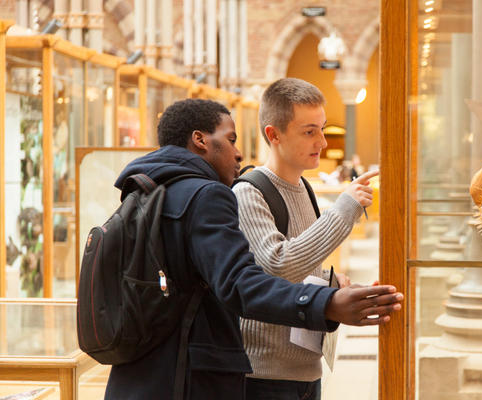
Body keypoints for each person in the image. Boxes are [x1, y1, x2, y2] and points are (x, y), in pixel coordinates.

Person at [103, 99, 403, 400]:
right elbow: (241, 283)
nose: (239, 152)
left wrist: (330, 286)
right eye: (231, 139)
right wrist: (325, 303)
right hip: (188, 377)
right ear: (200, 140)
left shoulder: (146, 191)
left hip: (141, 375)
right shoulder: (206, 196)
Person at [233, 78, 378, 399]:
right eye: (309, 131)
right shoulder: (248, 192)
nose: (323, 142)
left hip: (306, 366)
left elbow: (301, 268)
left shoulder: (305, 188)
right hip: (264, 373)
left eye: (322, 129)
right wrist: (345, 207)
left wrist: (331, 283)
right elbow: (278, 265)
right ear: (274, 134)